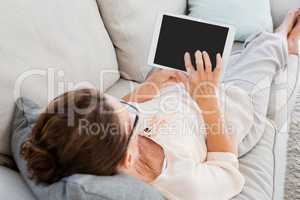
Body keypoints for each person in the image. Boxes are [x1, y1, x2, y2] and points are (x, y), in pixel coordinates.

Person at [21, 9, 300, 200]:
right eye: (131, 115)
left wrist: (148, 89)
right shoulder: (176, 179)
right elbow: (227, 171)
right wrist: (208, 100)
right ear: (129, 157)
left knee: (222, 56)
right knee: (261, 57)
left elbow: (118, 109)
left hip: (184, 94)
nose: (128, 106)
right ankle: (284, 38)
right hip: (228, 114)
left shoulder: (106, 139)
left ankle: (263, 44)